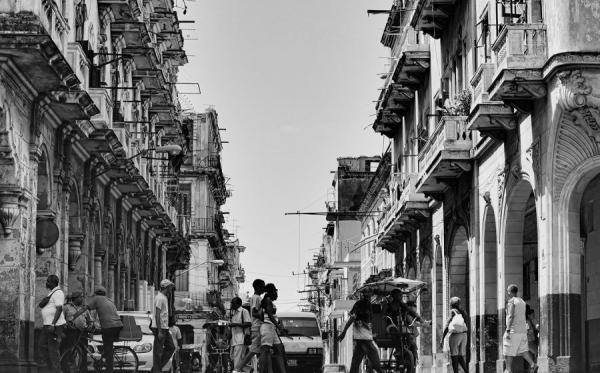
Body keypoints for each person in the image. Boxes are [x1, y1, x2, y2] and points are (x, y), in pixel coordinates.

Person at [337, 289, 383, 373]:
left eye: (369, 292)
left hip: (363, 338)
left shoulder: (369, 304)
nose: (367, 294)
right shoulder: (359, 304)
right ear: (362, 294)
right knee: (376, 363)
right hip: (364, 338)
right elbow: (352, 318)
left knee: (355, 364)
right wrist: (343, 332)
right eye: (365, 292)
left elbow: (369, 321)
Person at [382, 289, 427, 370]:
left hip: (400, 325)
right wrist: (384, 305)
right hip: (391, 325)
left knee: (408, 334)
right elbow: (383, 314)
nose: (401, 296)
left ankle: (408, 353)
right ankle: (399, 350)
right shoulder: (388, 305)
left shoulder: (401, 304)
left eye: (401, 295)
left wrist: (420, 319)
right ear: (394, 296)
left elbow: (411, 312)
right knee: (394, 331)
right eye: (399, 295)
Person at [86, 286, 123, 373]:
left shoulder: (97, 298)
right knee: (107, 346)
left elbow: (86, 308)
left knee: (108, 348)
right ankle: (104, 359)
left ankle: (109, 369)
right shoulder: (108, 300)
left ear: (96, 293)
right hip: (118, 325)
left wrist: (74, 317)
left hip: (109, 326)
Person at [233, 279, 266, 373]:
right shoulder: (257, 298)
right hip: (257, 327)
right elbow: (255, 312)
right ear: (258, 287)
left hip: (257, 327)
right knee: (254, 351)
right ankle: (237, 368)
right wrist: (264, 314)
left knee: (259, 351)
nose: (264, 288)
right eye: (263, 286)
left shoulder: (255, 297)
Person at [503, 285, 537, 373]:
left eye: (507, 291)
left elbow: (510, 316)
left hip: (514, 330)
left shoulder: (511, 302)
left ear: (510, 292)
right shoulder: (522, 301)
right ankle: (533, 364)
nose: (507, 293)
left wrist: (507, 330)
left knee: (507, 351)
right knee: (523, 350)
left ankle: (508, 370)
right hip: (522, 331)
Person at [39, 274, 67, 372]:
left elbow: (59, 309)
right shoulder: (52, 293)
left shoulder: (58, 293)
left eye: (48, 281)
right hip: (47, 325)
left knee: (53, 350)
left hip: (55, 326)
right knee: (42, 346)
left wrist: (53, 324)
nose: (46, 283)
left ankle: (56, 370)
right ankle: (52, 368)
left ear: (54, 283)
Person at [61, 291, 93, 373]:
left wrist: (89, 327)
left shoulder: (84, 309)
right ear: (75, 298)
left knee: (83, 353)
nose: (82, 298)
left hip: (83, 334)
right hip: (70, 333)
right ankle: (66, 370)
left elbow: (90, 321)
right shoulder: (66, 307)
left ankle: (83, 370)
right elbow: (61, 320)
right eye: (81, 297)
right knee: (68, 352)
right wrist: (65, 327)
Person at [259, 283, 286, 373]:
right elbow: (270, 315)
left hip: (271, 328)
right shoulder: (268, 300)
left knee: (279, 350)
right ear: (272, 292)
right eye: (275, 291)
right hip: (267, 327)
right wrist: (279, 327)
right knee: (264, 351)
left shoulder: (268, 300)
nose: (276, 294)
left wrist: (278, 325)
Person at [152, 279, 176, 373]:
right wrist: (160, 331)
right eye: (170, 287)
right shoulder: (159, 298)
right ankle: (156, 371)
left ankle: (156, 369)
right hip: (160, 328)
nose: (171, 289)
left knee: (171, 347)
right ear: (166, 287)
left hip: (164, 328)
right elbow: (157, 315)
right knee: (158, 352)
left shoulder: (164, 297)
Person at [441, 297, 469, 373]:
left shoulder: (452, 311)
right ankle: (466, 371)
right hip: (464, 335)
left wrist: (442, 338)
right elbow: (466, 323)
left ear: (451, 304)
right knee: (460, 356)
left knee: (454, 356)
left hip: (455, 335)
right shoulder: (463, 312)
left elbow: (447, 325)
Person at [229, 297, 251, 373]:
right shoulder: (234, 313)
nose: (232, 304)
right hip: (234, 340)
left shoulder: (244, 311)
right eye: (232, 303)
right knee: (234, 358)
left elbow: (248, 323)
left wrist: (236, 324)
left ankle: (237, 371)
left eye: (233, 303)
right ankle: (249, 370)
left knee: (237, 360)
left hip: (241, 339)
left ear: (239, 304)